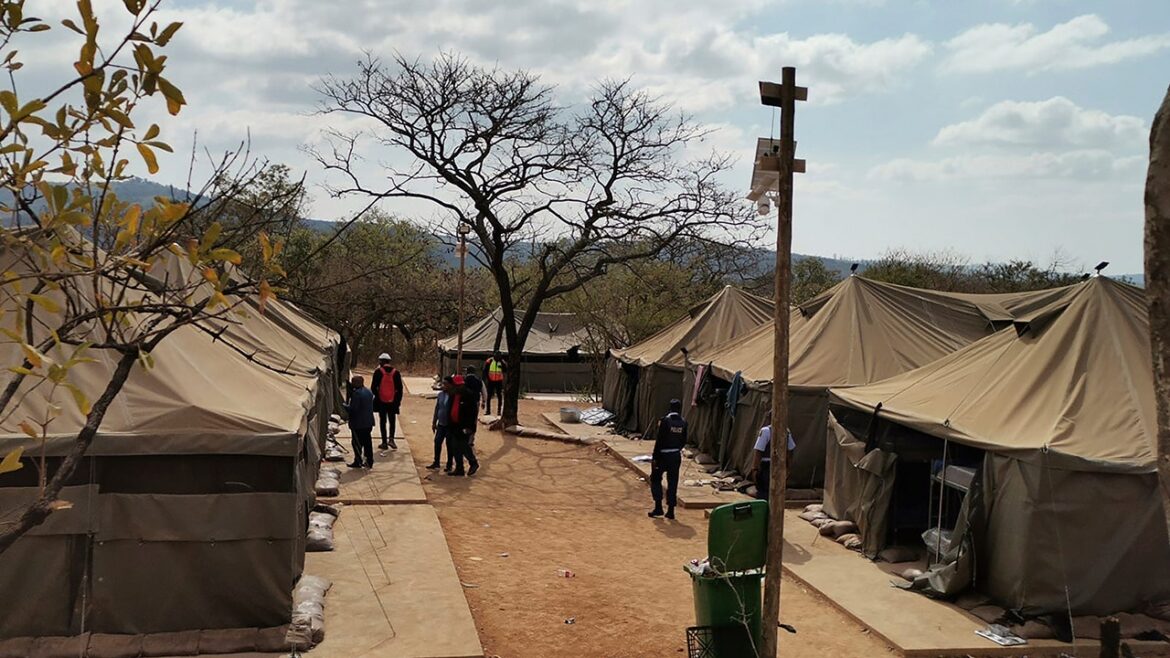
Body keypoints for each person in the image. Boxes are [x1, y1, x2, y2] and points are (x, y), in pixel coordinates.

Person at [649, 399, 687, 520]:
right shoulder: (684, 423)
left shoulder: (665, 421)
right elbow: (683, 441)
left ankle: (658, 507)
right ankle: (671, 511)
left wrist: (655, 457)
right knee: (672, 482)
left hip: (662, 455)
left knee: (655, 478)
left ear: (669, 408)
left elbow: (659, 440)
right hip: (675, 456)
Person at [750, 411, 795, 501]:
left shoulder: (765, 431)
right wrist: (788, 468)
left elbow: (758, 451)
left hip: (767, 466)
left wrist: (754, 468)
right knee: (777, 493)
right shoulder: (786, 431)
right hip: (780, 465)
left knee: (764, 493)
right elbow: (790, 451)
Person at [447, 374, 480, 476]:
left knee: (463, 445)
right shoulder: (453, 395)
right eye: (456, 385)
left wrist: (471, 428)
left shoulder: (469, 396)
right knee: (455, 447)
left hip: (464, 426)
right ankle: (459, 468)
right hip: (454, 425)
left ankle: (473, 462)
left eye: (459, 385)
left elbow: (473, 414)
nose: (457, 387)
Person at [371, 353, 403, 450]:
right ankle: (392, 439)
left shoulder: (378, 372)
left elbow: (373, 388)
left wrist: (378, 396)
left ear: (381, 361)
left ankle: (384, 442)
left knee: (382, 421)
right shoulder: (396, 372)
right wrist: (397, 401)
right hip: (393, 402)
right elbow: (400, 389)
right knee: (392, 420)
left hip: (381, 402)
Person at [345, 375, 375, 469]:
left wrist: (345, 406)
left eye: (353, 382)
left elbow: (354, 409)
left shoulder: (357, 394)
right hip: (368, 422)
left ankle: (358, 461)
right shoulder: (368, 392)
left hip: (359, 423)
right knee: (367, 443)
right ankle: (369, 461)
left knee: (357, 443)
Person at [427, 376, 454, 471]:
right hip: (441, 424)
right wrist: (434, 422)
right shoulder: (440, 395)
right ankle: (436, 462)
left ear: (451, 385)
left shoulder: (453, 396)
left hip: (449, 424)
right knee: (437, 442)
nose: (444, 386)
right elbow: (437, 408)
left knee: (449, 445)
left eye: (446, 384)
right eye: (443, 384)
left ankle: (449, 464)